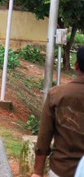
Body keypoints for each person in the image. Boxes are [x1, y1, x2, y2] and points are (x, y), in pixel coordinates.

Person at [31, 46, 84, 177]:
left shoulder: (57, 95)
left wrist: (37, 172)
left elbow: (44, 137)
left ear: (77, 66)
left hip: (61, 170)